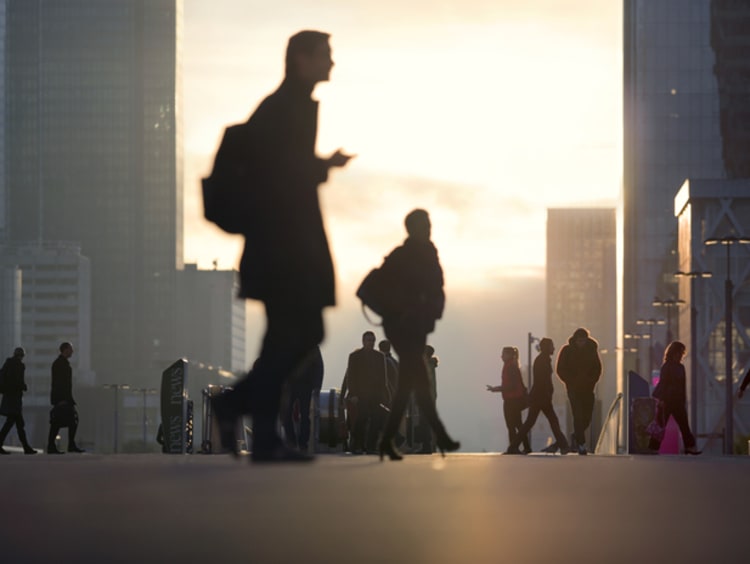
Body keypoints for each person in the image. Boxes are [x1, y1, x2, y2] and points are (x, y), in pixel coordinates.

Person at [211, 30, 354, 463]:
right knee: (301, 333)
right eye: (326, 55)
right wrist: (320, 166)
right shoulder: (286, 108)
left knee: (286, 337)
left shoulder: (288, 106)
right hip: (284, 249)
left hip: (281, 246)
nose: (332, 63)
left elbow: (284, 170)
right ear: (302, 59)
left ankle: (250, 421)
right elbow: (281, 177)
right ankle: (244, 414)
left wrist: (321, 164)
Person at [375, 209, 460, 460]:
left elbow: (436, 286)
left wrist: (431, 311)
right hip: (402, 326)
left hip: (417, 325)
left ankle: (387, 440)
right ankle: (440, 434)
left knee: (408, 382)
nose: (430, 227)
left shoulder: (427, 252)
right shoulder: (404, 255)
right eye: (425, 224)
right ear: (413, 228)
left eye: (429, 223)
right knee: (417, 378)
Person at [507, 338, 569, 454]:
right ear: (546, 347)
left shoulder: (543, 360)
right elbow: (542, 381)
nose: (554, 348)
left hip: (540, 397)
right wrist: (547, 394)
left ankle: (513, 446)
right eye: (552, 346)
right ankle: (563, 445)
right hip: (541, 397)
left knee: (532, 422)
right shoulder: (542, 361)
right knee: (549, 421)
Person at [341, 331, 389, 454]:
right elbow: (351, 377)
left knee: (376, 419)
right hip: (361, 395)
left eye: (373, 340)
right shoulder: (354, 357)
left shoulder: (380, 357)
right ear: (363, 341)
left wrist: (386, 396)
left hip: (376, 395)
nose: (371, 343)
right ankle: (356, 444)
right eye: (368, 340)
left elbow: (384, 379)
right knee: (361, 418)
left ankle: (371, 446)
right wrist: (353, 394)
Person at [649, 341, 701, 455]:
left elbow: (682, 386)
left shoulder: (681, 367)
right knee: (661, 425)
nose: (680, 355)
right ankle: (653, 447)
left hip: (677, 401)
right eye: (679, 352)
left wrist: (683, 401)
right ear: (673, 352)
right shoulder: (666, 366)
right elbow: (663, 384)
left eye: (682, 353)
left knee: (684, 425)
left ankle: (689, 447)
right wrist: (661, 400)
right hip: (667, 401)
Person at [556, 327, 602, 455]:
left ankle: (576, 435)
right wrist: (570, 381)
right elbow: (560, 369)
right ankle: (581, 444)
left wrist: (592, 380)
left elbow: (598, 368)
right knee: (578, 416)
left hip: (588, 389)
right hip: (573, 390)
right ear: (575, 340)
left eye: (583, 341)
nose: (581, 343)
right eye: (579, 341)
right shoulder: (567, 351)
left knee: (587, 417)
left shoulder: (592, 350)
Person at [486, 346, 531, 454]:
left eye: (504, 354)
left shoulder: (510, 367)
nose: (502, 356)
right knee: (518, 425)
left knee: (511, 425)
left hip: (511, 400)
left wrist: (497, 389)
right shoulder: (511, 365)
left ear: (510, 355)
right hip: (514, 399)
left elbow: (512, 385)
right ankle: (525, 446)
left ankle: (513, 448)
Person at [282, 346, 324, 453]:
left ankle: (302, 443)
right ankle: (291, 441)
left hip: (305, 385)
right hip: (289, 385)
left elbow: (319, 365)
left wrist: (317, 386)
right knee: (287, 414)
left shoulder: (311, 344)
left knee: (305, 415)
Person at [47, 342, 85, 454]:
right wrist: (62, 400)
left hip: (65, 398)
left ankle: (65, 445)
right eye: (71, 349)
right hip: (62, 399)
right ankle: (55, 445)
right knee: (61, 422)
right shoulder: (59, 364)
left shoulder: (63, 363)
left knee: (67, 421)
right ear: (65, 350)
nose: (72, 351)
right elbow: (58, 383)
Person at [0, 347, 37, 454]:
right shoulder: (20, 366)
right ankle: (26, 448)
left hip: (8, 398)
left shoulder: (7, 363)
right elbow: (18, 381)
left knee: (14, 423)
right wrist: (23, 386)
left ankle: (26, 447)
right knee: (18, 424)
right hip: (15, 400)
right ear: (22, 356)